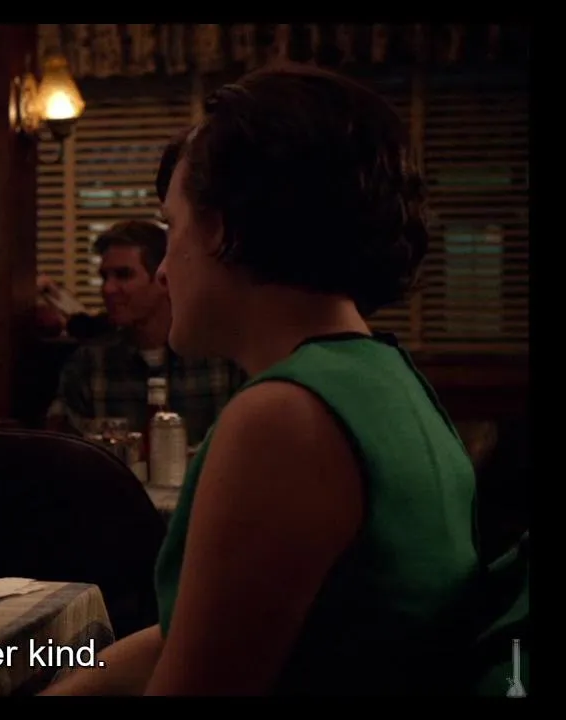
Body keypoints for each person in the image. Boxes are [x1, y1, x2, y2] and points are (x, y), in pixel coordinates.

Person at [43, 64, 526, 695]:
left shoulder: (285, 417)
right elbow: (198, 631)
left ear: (223, 229)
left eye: (173, 228)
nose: (163, 272)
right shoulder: (385, 377)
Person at [46, 220, 243, 445]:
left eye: (123, 275)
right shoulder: (90, 364)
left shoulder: (218, 359)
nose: (108, 288)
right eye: (104, 277)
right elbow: (61, 446)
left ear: (163, 280)